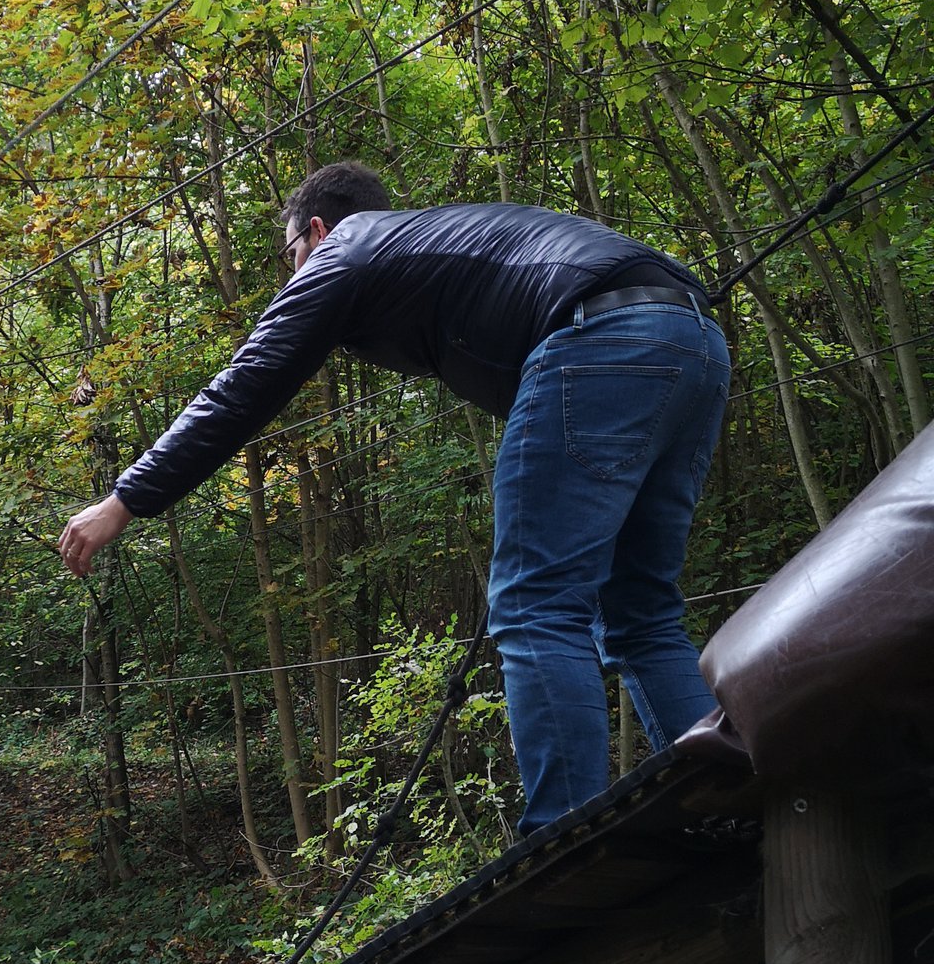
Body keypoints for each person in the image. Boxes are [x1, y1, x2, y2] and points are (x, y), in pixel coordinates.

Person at [58, 162, 730, 833]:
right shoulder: (420, 245)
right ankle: (730, 798)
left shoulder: (346, 251)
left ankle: (568, 835)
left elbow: (245, 384)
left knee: (536, 603)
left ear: (316, 231)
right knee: (638, 611)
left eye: (290, 257)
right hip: (694, 340)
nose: (292, 276)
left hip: (599, 339)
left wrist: (123, 500)